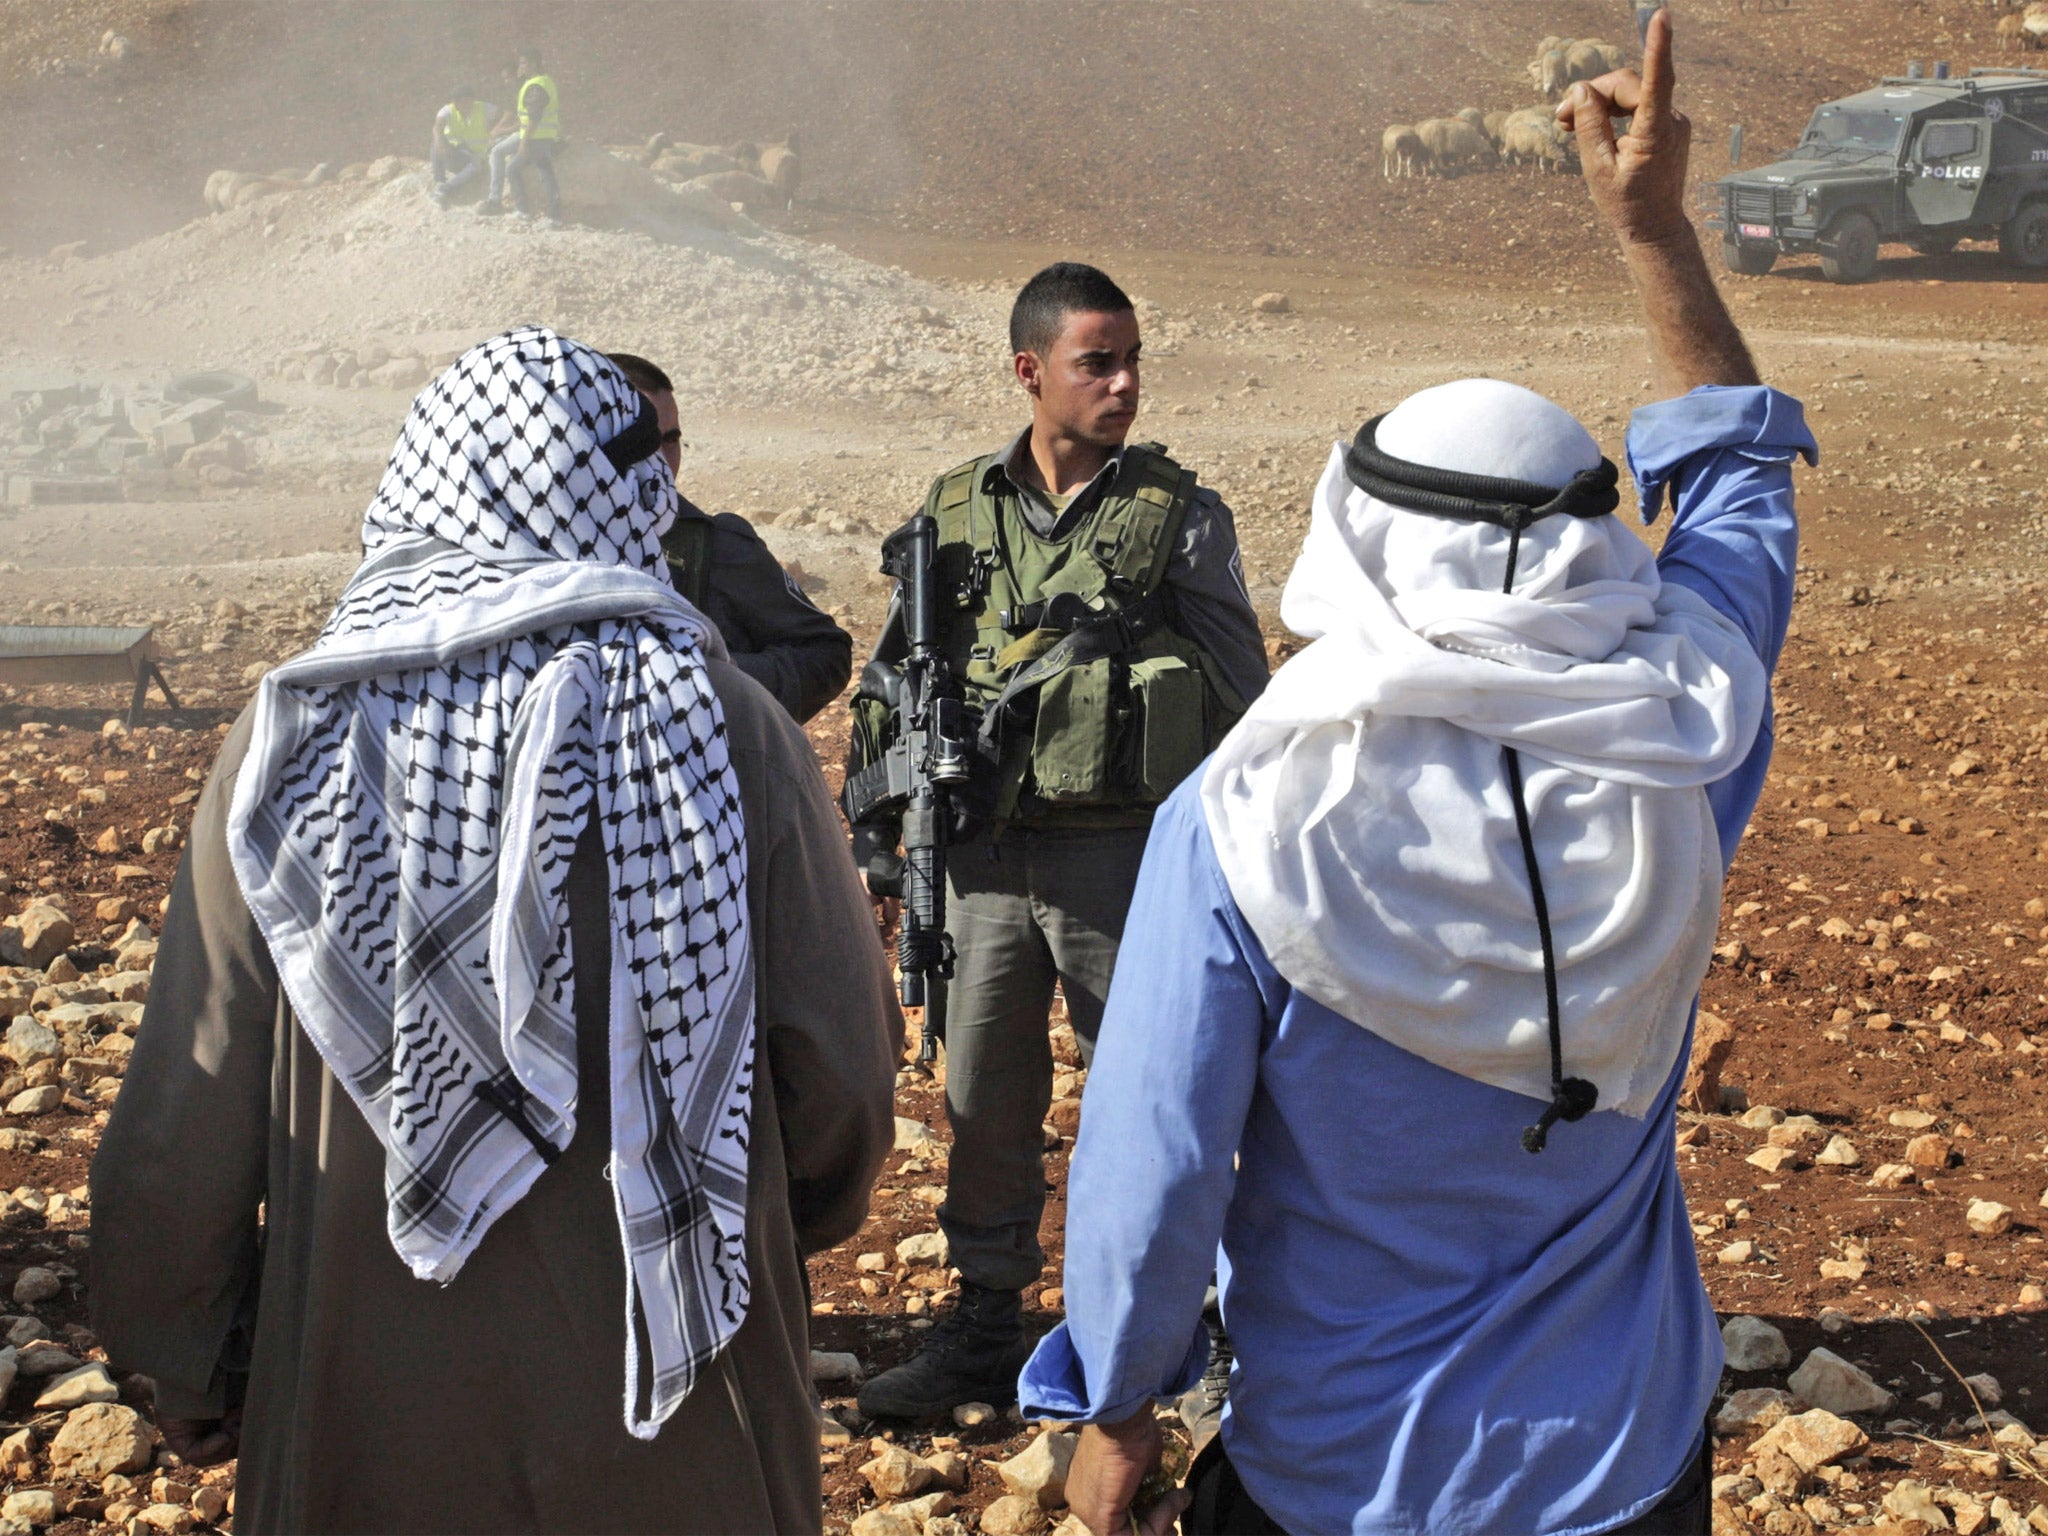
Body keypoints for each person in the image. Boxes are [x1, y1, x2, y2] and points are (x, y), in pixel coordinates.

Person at [1025, 16, 1814, 1536]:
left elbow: (1159, 1162)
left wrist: (1118, 1405)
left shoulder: (1248, 823)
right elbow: (1737, 484)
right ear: (1588, 544)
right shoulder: (1685, 741)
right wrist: (1652, 233)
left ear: (1368, 543)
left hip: (1342, 1472)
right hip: (1628, 1460)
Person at [89, 327, 902, 1534]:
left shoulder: (289, 743)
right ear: (622, 490)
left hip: (360, 1403)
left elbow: (187, 1108)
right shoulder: (726, 728)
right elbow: (836, 1069)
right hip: (677, 1390)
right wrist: (770, 1224)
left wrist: (185, 1353)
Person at [847, 262, 1269, 1422]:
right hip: (979, 866)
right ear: (1030, 372)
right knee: (982, 1106)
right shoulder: (950, 508)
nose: (1124, 383)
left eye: (1133, 359)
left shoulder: (1178, 520)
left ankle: (1205, 1328)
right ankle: (986, 1325)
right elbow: (892, 680)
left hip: (1121, 864)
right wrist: (882, 833)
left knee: (1160, 1103)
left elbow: (1243, 698)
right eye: (1097, 362)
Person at [606, 351, 853, 723]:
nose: (662, 462)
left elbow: (824, 655)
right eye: (644, 443)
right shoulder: (525, 548)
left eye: (671, 441)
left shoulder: (714, 545)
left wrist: (713, 682)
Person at [481, 49, 561, 222]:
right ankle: (528, 212)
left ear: (533, 63)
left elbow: (533, 118)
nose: (521, 67)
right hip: (538, 136)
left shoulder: (536, 85)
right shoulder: (540, 82)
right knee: (527, 171)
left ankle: (547, 216)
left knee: (538, 173)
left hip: (536, 138)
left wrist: (523, 143)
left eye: (524, 63)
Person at [428, 84, 496, 205]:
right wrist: (439, 142)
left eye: (458, 101)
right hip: (454, 152)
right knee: (435, 143)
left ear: (468, 100)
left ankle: (445, 189)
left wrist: (498, 130)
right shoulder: (448, 110)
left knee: (475, 166)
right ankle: (439, 180)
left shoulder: (483, 108)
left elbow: (507, 113)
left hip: (474, 155)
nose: (455, 104)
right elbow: (437, 127)